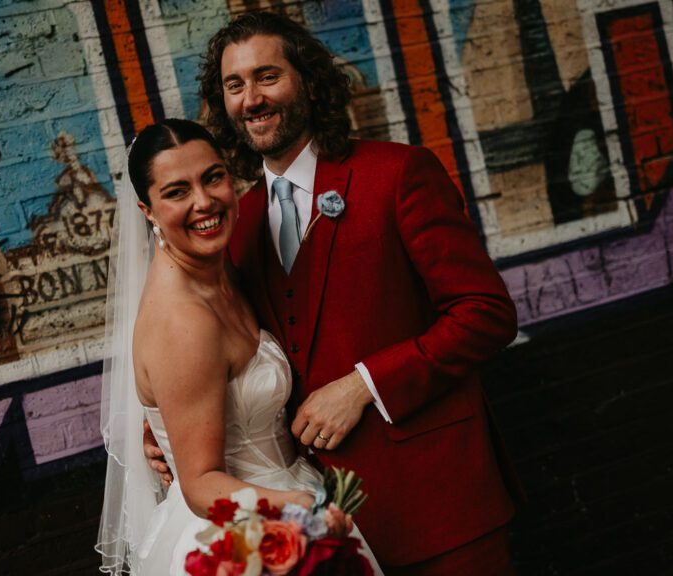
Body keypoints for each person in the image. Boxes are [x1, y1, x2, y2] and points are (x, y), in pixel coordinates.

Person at [193, 11, 522, 575]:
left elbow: (486, 314)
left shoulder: (397, 174)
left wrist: (364, 384)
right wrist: (172, 438)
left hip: (441, 508)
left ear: (308, 81)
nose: (252, 98)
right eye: (235, 84)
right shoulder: (238, 226)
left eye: (267, 76)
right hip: (320, 532)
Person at [95, 118, 383, 575]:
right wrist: (300, 509)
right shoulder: (184, 321)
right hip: (244, 536)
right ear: (146, 210)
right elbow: (200, 483)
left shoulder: (217, 267)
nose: (203, 201)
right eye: (176, 192)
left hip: (288, 489)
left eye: (212, 177)